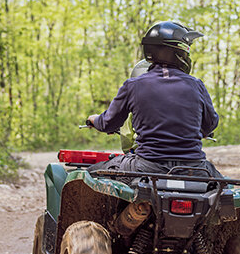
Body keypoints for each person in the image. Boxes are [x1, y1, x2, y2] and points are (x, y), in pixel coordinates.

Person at [86, 21, 221, 178]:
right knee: (225, 190)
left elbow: (109, 123)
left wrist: (94, 119)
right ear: (180, 52)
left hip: (147, 167)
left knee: (90, 175)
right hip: (194, 169)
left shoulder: (133, 85)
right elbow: (210, 124)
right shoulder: (196, 85)